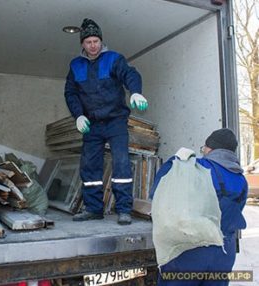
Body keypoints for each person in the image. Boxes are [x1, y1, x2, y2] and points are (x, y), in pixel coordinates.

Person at [64, 18, 148, 225]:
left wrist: (136, 92)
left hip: (115, 121)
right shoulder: (76, 65)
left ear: (101, 41)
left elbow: (130, 74)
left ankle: (124, 210)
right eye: (88, 42)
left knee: (121, 163)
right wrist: (79, 115)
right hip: (92, 124)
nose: (93, 45)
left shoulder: (113, 59)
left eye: (96, 41)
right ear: (82, 44)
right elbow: (71, 93)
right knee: (90, 166)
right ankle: (93, 209)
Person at [150, 128, 248, 285]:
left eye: (204, 147)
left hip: (192, 251)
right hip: (224, 254)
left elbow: (160, 187)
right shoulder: (241, 179)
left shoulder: (197, 167)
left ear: (210, 148)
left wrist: (176, 159)